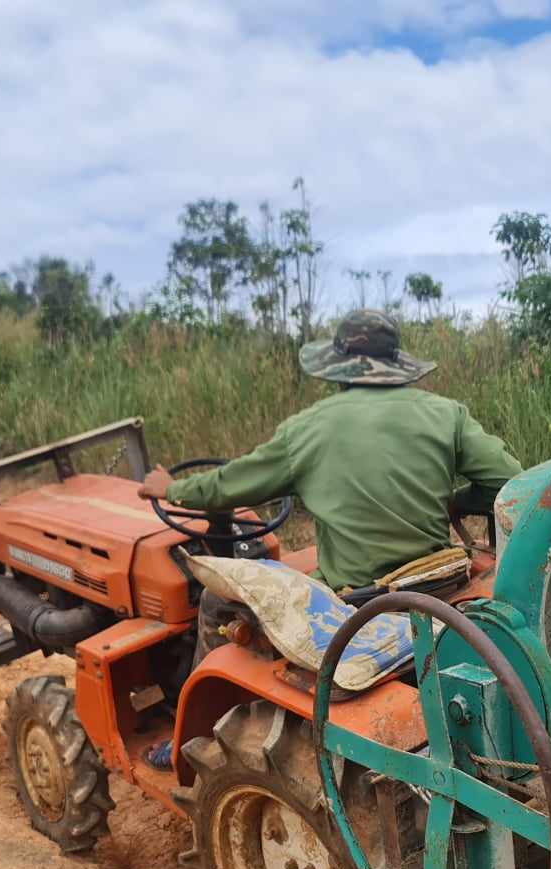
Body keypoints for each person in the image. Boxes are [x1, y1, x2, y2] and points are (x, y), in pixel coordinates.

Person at [135, 308, 524, 767]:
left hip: (358, 599)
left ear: (339, 370)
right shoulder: (445, 414)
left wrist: (173, 489)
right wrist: (454, 499)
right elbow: (512, 481)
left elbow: (225, 486)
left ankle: (195, 734)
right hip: (438, 586)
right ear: (395, 365)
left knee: (216, 604)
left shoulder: (308, 429)